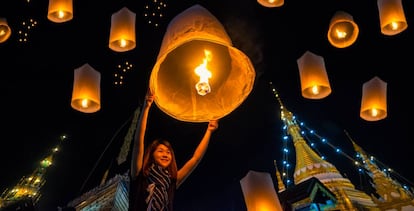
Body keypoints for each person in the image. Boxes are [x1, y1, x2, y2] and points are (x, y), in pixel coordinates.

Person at [129, 90, 219, 211]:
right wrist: (146, 108)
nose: (166, 154)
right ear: (151, 155)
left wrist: (209, 131)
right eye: (160, 151)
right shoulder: (140, 174)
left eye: (168, 152)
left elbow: (195, 159)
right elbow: (137, 143)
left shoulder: (171, 182)